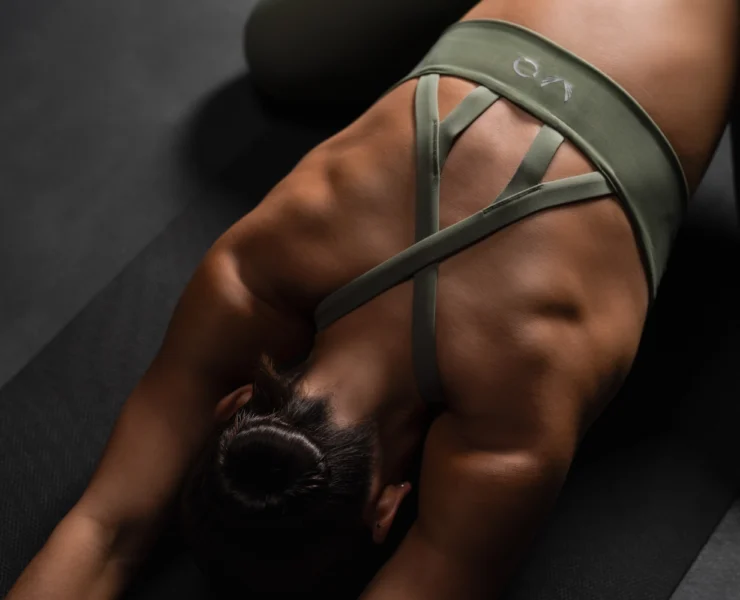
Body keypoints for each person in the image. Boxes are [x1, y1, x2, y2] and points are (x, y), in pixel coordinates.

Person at [8, 0, 737, 598]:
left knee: (288, 53)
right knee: (284, 48)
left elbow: (109, 531)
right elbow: (99, 531)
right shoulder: (252, 269)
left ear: (388, 507)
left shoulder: (512, 424)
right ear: (231, 408)